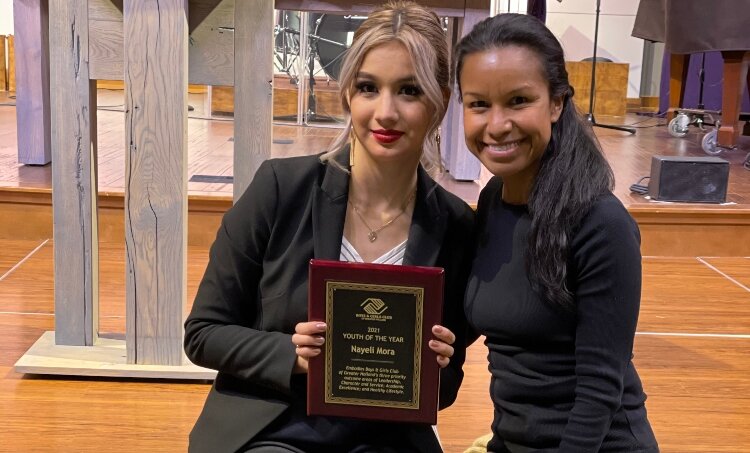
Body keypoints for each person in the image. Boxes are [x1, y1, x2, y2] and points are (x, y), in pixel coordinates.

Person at [183, 2, 474, 452]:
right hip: (275, 425)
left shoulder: (455, 226)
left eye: (409, 91)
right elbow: (203, 332)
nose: (386, 112)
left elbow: (446, 388)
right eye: (368, 88)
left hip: (387, 437)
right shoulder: (281, 188)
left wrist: (437, 366)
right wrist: (289, 355)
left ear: (438, 104)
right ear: (347, 96)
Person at [456, 13, 659, 452]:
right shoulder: (494, 199)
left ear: (556, 103)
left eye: (517, 101)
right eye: (478, 104)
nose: (496, 124)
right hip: (511, 440)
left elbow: (598, 398)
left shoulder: (601, 225)